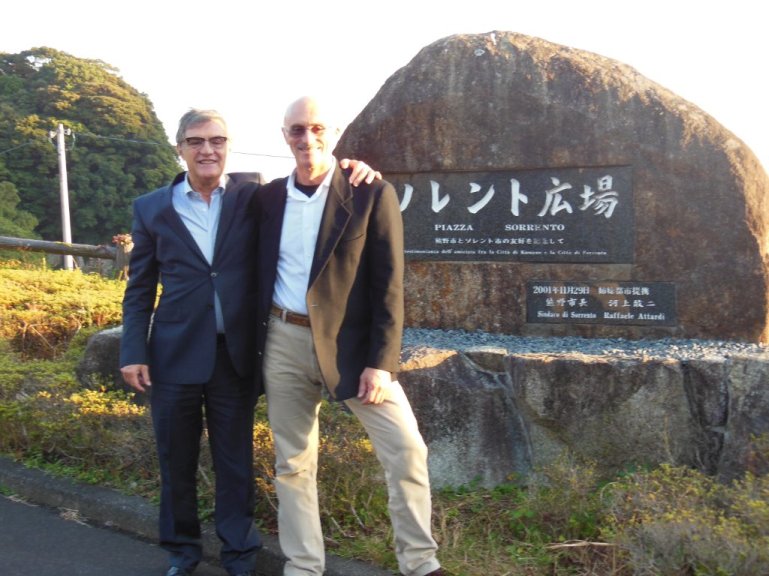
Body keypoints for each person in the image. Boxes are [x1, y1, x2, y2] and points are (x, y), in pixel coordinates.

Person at [119, 108, 377, 576]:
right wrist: (133, 351)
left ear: (228, 146)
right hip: (173, 354)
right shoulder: (151, 207)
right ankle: (181, 552)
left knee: (235, 460)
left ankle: (239, 554)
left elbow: (313, 180)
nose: (207, 150)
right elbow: (139, 289)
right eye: (196, 141)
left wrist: (352, 167)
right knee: (175, 460)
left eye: (217, 140)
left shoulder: (253, 196)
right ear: (179, 148)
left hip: (234, 356)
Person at [254, 96, 445, 576]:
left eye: (317, 128)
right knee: (293, 463)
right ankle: (303, 566)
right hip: (282, 340)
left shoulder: (369, 192)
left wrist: (382, 361)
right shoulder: (266, 199)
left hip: (351, 346)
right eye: (297, 129)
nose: (307, 138)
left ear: (335, 133)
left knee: (406, 449)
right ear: (284, 136)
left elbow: (389, 283)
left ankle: (420, 562)